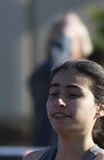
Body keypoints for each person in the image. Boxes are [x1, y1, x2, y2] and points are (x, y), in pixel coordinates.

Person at [27, 12, 93, 147]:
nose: (59, 44)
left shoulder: (93, 76)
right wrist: (66, 32)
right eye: (56, 40)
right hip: (50, 156)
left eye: (67, 39)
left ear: (82, 43)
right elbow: (55, 66)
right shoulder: (42, 75)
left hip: (86, 155)